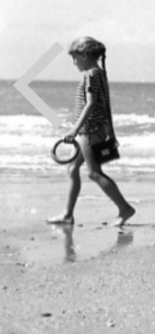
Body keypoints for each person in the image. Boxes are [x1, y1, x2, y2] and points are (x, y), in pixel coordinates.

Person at [49, 36, 136, 227]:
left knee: (94, 173)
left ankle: (125, 209)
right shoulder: (99, 72)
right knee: (72, 169)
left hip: (89, 130)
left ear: (86, 55)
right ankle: (67, 215)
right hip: (93, 129)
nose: (74, 62)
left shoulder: (91, 74)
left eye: (75, 57)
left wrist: (74, 129)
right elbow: (106, 105)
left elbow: (91, 105)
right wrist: (110, 131)